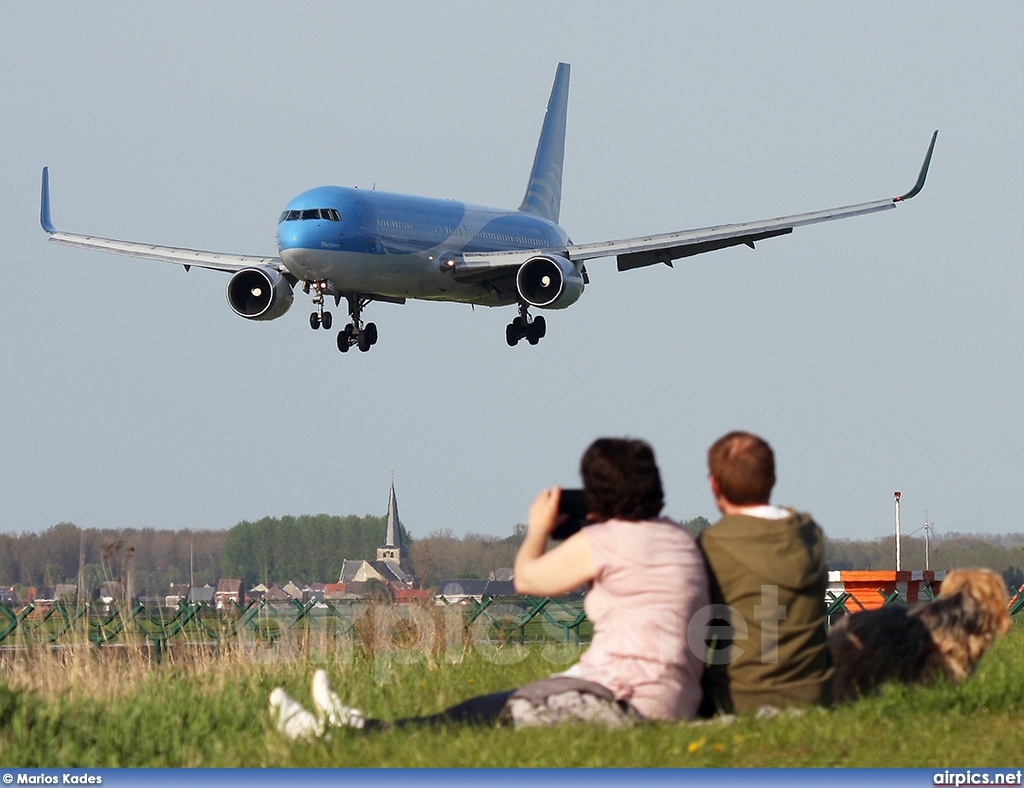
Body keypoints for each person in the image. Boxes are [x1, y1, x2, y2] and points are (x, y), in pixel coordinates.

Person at [270, 437, 710, 737]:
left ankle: (344, 732)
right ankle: (353, 724)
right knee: (485, 709)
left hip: (618, 700)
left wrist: (538, 528)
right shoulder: (679, 539)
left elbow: (528, 578)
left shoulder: (610, 540)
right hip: (672, 699)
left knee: (481, 713)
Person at [697, 431, 833, 717]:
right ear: (772, 479)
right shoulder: (809, 534)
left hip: (737, 697)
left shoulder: (712, 544)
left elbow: (701, 635)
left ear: (714, 485)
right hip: (814, 694)